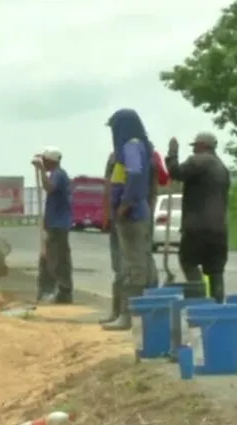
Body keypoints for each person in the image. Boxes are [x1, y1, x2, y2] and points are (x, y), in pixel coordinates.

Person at [99, 147, 168, 323]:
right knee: (142, 263)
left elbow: (112, 187)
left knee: (127, 266)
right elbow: (162, 180)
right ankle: (144, 313)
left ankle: (126, 314)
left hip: (128, 217)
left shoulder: (122, 155)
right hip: (144, 216)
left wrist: (113, 211)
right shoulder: (151, 155)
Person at [102, 109, 153, 330]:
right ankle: (135, 314)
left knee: (134, 266)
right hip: (132, 212)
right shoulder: (134, 146)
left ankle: (129, 316)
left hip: (131, 214)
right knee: (137, 263)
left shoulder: (131, 146)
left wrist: (125, 204)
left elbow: (135, 178)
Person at [165, 132, 230, 303]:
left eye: (195, 146)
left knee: (188, 261)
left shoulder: (199, 160)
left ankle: (199, 299)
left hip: (197, 227)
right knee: (215, 270)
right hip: (219, 229)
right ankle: (217, 308)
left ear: (202, 146)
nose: (193, 150)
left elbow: (176, 172)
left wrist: (172, 154)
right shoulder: (222, 168)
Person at [32, 147, 73, 304]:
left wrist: (41, 171)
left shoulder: (59, 175)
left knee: (58, 259)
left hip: (59, 225)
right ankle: (50, 290)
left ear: (51, 161)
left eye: (45, 161)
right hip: (53, 223)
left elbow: (49, 187)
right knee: (49, 257)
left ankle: (63, 291)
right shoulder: (56, 174)